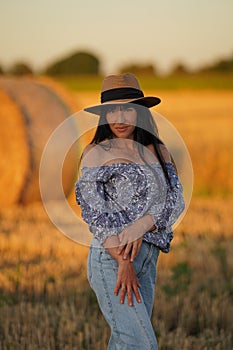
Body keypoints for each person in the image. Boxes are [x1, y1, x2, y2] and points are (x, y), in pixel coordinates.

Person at [75, 73, 185, 349]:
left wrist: (142, 225)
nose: (120, 117)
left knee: (126, 342)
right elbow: (95, 215)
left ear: (140, 111)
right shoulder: (96, 153)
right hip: (111, 258)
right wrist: (123, 262)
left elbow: (176, 200)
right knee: (140, 343)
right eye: (112, 110)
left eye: (128, 108)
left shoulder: (158, 150)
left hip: (148, 258)